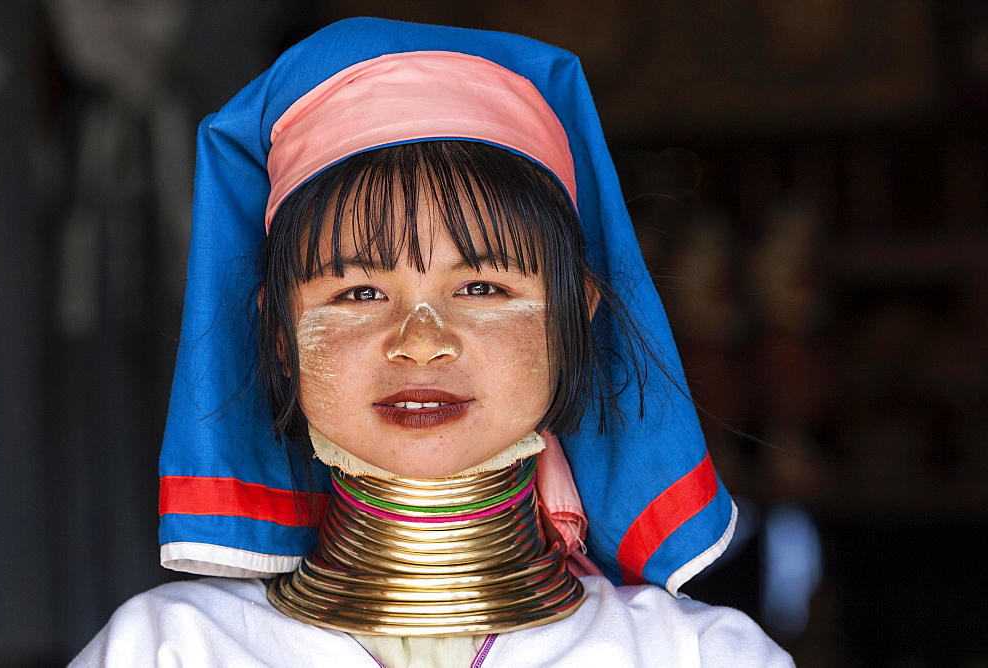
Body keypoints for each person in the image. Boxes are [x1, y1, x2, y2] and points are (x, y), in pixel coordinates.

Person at [73, 17, 792, 667]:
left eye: (481, 288)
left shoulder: (696, 655)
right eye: (357, 293)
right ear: (280, 335)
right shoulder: (167, 652)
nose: (421, 343)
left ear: (577, 317)